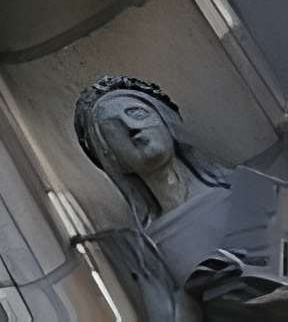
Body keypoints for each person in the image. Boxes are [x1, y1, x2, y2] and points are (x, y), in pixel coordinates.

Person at [78, 75, 288, 317]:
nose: (132, 128)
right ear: (110, 157)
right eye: (113, 129)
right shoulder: (147, 250)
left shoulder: (248, 187)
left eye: (137, 113)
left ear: (166, 120)